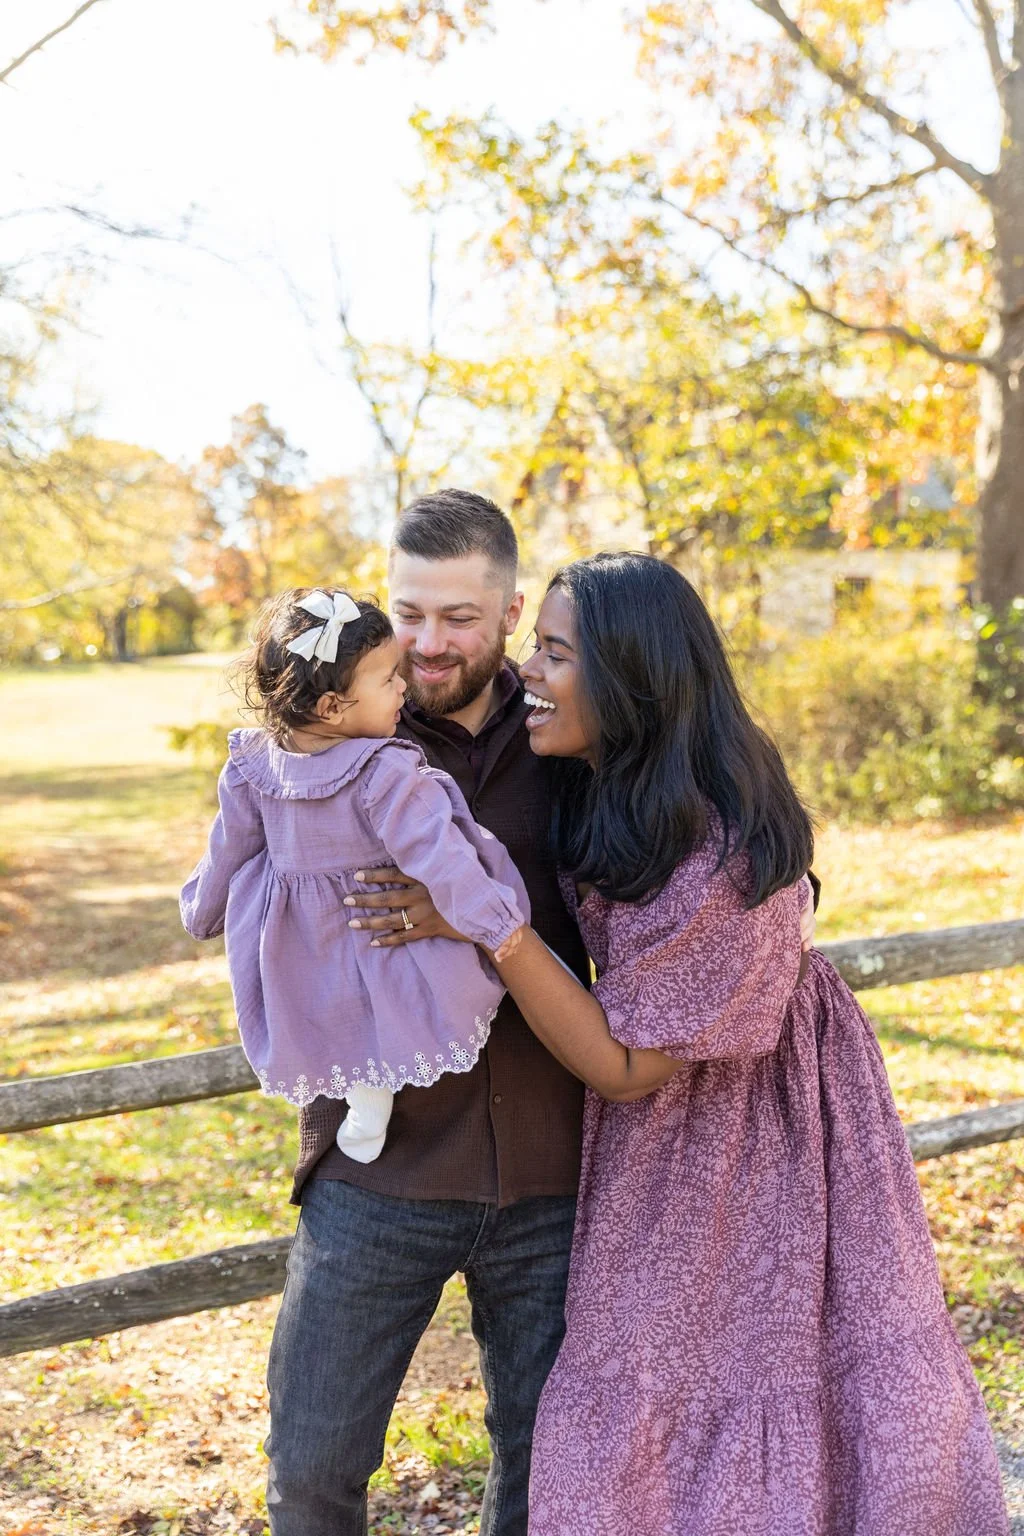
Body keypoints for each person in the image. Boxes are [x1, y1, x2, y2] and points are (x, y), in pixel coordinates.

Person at [481, 551, 1009, 1536]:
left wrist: (491, 930)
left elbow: (625, 1068)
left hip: (762, 1126)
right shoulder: (606, 778)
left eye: (554, 653)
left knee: (739, 1370)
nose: (528, 672)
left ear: (632, 678)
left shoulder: (716, 856)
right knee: (661, 1377)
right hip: (675, 1122)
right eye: (532, 645)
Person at [260, 492, 594, 1536]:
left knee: (544, 1470)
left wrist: (471, 914)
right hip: (380, 1169)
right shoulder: (334, 730)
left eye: (459, 617)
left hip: (554, 1167)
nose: (429, 642)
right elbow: (271, 896)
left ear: (509, 614)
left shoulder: (572, 730)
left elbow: (655, 885)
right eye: (409, 613)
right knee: (313, 1470)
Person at [179, 588, 528, 1165]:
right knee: (384, 1009)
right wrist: (499, 928)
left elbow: (227, 853)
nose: (403, 687)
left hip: (304, 947)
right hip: (373, 942)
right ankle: (370, 1099)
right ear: (332, 707)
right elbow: (442, 858)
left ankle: (368, 1100)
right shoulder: (381, 772)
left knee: (335, 1015)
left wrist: (202, 909)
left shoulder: (254, 766)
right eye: (388, 678)